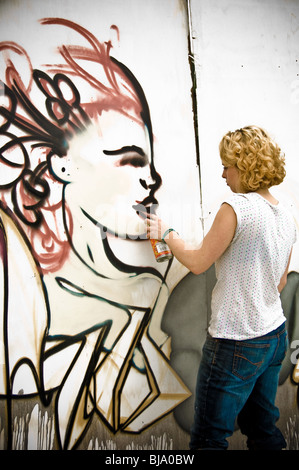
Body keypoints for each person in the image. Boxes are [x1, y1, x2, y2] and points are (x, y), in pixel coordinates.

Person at [146, 125, 297, 450]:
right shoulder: (287, 211)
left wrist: (166, 231)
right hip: (274, 336)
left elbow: (199, 262)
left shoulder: (236, 208)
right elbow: (282, 281)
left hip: (235, 341)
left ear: (246, 166)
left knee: (209, 438)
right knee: (262, 427)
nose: (223, 173)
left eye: (228, 165)